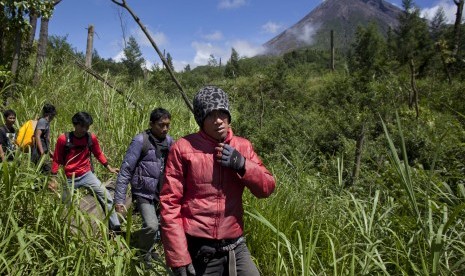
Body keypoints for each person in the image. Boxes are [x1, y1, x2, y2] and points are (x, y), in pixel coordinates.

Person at [160, 86, 276, 276]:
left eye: (222, 113)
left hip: (235, 246)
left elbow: (267, 188)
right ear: (200, 120)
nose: (218, 121)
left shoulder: (243, 146)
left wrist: (243, 164)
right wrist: (179, 256)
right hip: (199, 249)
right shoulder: (183, 148)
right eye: (210, 115)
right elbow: (170, 204)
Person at [114, 108, 173, 253]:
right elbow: (126, 170)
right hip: (144, 192)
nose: (165, 128)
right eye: (161, 125)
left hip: (162, 191)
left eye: (167, 125)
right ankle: (135, 245)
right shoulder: (141, 141)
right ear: (151, 124)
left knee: (159, 227)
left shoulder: (170, 141)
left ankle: (148, 252)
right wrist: (119, 199)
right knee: (151, 226)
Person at [50, 111, 121, 232]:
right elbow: (57, 159)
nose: (84, 129)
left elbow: (98, 153)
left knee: (106, 196)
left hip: (86, 174)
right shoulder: (63, 139)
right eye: (82, 126)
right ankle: (67, 231)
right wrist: (53, 178)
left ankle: (116, 228)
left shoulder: (90, 138)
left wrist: (109, 167)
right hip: (68, 177)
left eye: (87, 127)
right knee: (65, 204)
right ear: (75, 124)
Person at [32, 103, 57, 173]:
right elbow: (37, 136)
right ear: (51, 114)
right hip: (38, 152)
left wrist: (49, 152)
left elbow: (46, 139)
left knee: (43, 173)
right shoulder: (42, 121)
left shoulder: (46, 122)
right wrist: (42, 152)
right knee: (47, 171)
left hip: (43, 151)